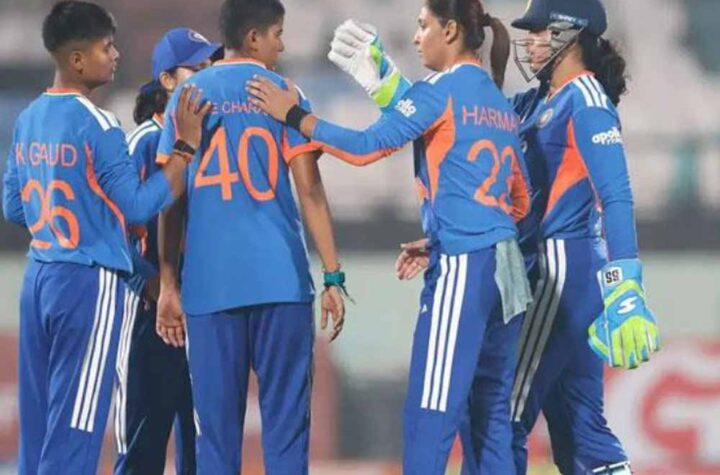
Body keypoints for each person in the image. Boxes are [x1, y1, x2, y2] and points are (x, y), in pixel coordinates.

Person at [246, 0, 533, 472]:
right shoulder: (499, 102)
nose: (416, 38)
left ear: (451, 30)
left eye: (423, 26)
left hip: (465, 265)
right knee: (490, 419)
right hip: (507, 272)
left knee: (429, 412)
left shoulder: (440, 89)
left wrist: (294, 116)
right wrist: (444, 235)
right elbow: (519, 202)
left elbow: (366, 147)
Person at [1, 2, 209, 474]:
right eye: (106, 47)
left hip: (38, 277)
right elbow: (139, 206)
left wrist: (70, 215)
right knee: (76, 427)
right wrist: (184, 150)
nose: (115, 56)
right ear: (78, 60)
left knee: (39, 426)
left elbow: (13, 206)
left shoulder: (30, 117)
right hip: (87, 283)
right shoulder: (99, 123)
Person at [154, 0, 346, 473]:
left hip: (210, 287)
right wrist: (333, 275)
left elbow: (170, 199)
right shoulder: (283, 93)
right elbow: (310, 190)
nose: (282, 44)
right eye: (278, 33)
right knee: (287, 435)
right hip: (280, 281)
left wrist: (168, 282)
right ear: (254, 37)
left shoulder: (187, 96)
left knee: (216, 441)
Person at [505, 1, 659, 473]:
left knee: (500, 415)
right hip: (559, 271)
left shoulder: (587, 99)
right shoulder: (536, 100)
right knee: (580, 429)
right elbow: (467, 125)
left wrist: (626, 284)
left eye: (539, 30)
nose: (530, 41)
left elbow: (616, 195)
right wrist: (391, 89)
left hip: (560, 269)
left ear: (570, 35)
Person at [113, 27, 221, 475]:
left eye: (211, 66)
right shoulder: (143, 142)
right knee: (143, 443)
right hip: (149, 314)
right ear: (167, 80)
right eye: (196, 68)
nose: (207, 75)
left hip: (201, 310)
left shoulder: (211, 140)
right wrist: (152, 282)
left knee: (202, 446)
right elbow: (115, 225)